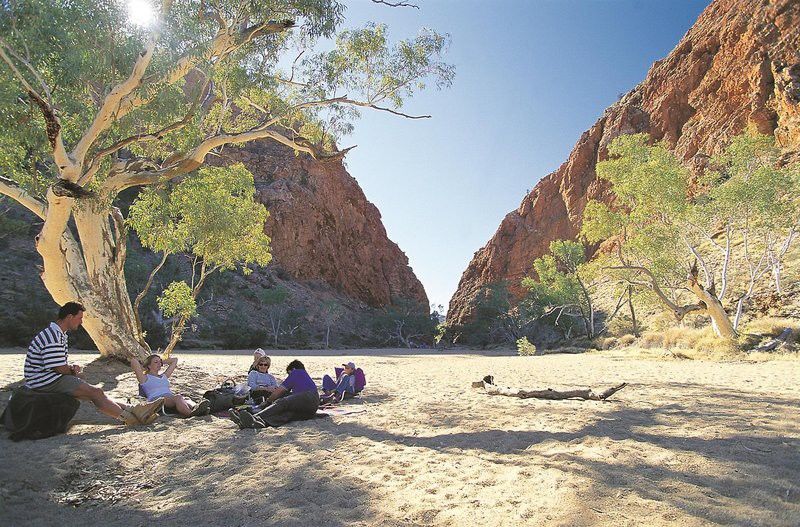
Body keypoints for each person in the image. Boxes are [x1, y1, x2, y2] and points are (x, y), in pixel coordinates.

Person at [24, 302, 163, 426]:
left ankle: (134, 412)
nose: (81, 322)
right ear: (69, 317)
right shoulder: (53, 336)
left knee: (95, 392)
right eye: (79, 318)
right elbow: (59, 368)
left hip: (48, 378)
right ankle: (132, 419)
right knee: (95, 392)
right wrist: (73, 372)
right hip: (43, 382)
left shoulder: (58, 334)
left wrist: (72, 369)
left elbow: (56, 363)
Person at [232, 359, 319, 429]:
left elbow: (279, 391)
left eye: (289, 374)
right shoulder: (306, 377)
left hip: (308, 397)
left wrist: (267, 402)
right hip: (311, 409)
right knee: (287, 414)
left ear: (293, 369)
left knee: (282, 402)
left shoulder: (296, 372)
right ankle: (261, 423)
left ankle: (255, 416)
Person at [131, 354, 210, 417]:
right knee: (178, 397)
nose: (159, 364)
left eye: (160, 362)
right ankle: (191, 414)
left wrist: (160, 361)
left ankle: (197, 408)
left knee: (186, 398)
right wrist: (144, 366)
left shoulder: (164, 376)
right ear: (149, 365)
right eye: (156, 362)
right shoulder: (144, 378)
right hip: (157, 401)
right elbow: (134, 361)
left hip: (170, 399)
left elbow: (175, 360)